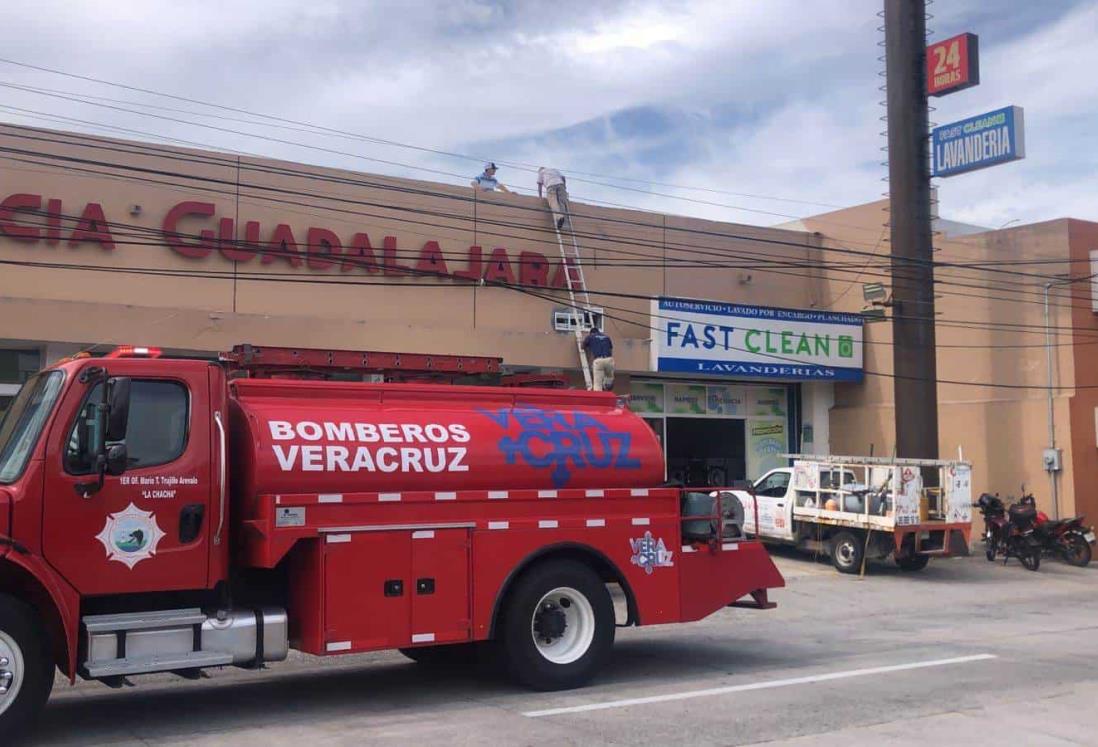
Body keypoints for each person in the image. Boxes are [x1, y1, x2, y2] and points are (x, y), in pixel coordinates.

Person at [582, 321, 615, 392]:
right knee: (609, 378)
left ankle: (599, 394)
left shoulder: (590, 336)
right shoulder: (607, 337)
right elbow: (611, 349)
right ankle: (607, 386)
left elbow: (583, 346)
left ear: (591, 333)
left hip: (598, 360)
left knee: (597, 384)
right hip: (609, 359)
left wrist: (587, 346)